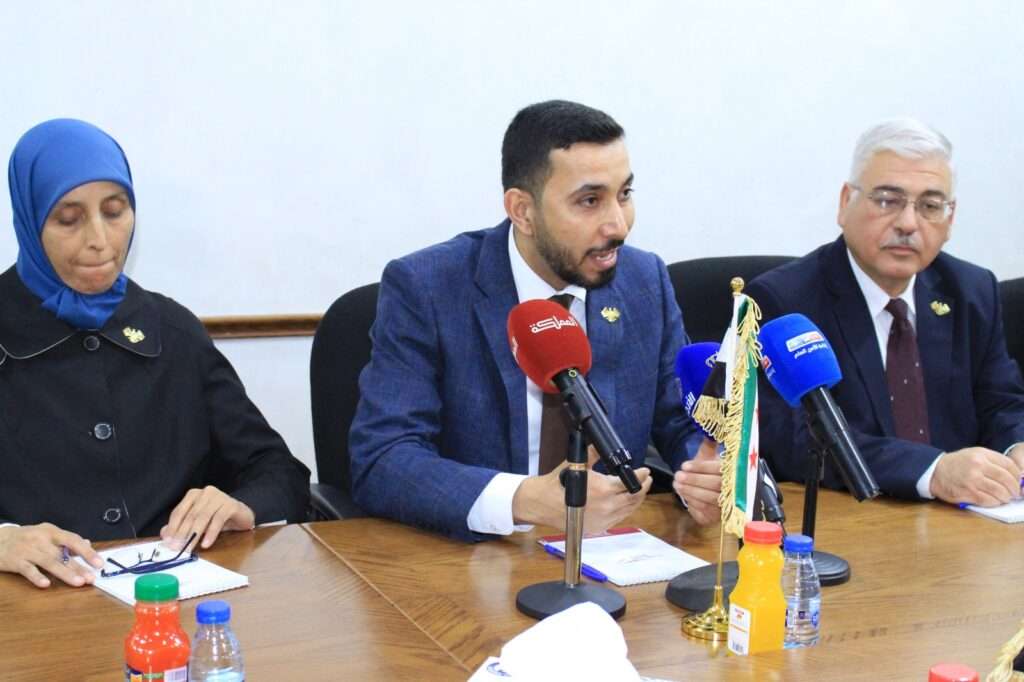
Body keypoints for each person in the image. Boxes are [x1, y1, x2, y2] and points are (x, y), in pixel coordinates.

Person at [349, 100, 720, 542]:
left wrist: (704, 473)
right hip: (474, 556)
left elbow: (680, 420)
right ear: (522, 211)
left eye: (624, 194)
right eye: (589, 201)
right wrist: (522, 499)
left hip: (612, 552)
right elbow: (384, 458)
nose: (618, 226)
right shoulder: (428, 288)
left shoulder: (644, 280)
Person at [0, 119, 310, 589]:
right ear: (29, 219)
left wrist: (240, 505)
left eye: (115, 211)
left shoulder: (172, 329)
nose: (100, 239)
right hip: (31, 610)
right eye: (68, 219)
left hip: (172, 600)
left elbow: (278, 471)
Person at [747, 118, 1024, 507]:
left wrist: (1017, 445)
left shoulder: (972, 291)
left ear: (950, 219)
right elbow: (792, 440)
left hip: (966, 521)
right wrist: (932, 471)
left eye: (930, 206)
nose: (908, 223)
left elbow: (1002, 402)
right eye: (887, 200)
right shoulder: (784, 300)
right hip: (856, 519)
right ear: (845, 203)